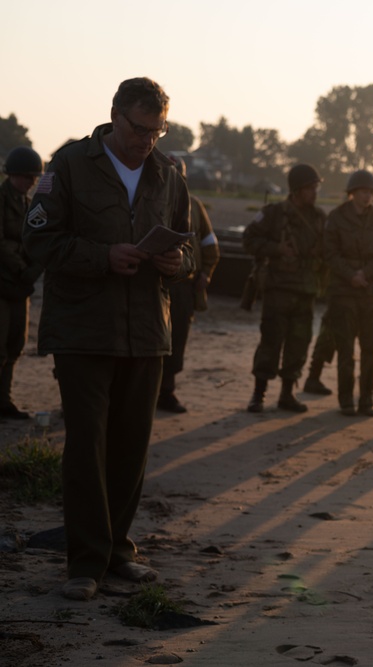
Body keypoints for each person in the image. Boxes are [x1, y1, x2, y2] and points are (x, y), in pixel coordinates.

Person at [23, 77, 193, 601]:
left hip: (147, 334)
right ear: (115, 115)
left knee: (130, 449)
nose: (147, 140)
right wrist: (104, 257)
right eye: (140, 129)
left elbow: (189, 253)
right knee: (86, 447)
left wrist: (173, 262)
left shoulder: (169, 174)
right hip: (83, 332)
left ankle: (118, 550)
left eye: (157, 130)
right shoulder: (69, 166)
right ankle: (85, 562)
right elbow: (39, 238)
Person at [243, 164, 325, 413]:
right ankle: (259, 394)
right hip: (278, 290)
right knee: (270, 341)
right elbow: (249, 239)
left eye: (315, 187)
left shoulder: (319, 218)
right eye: (311, 188)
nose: (314, 192)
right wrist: (276, 249)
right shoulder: (274, 213)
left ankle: (287, 394)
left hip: (305, 291)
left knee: (299, 344)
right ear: (297, 190)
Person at [320, 169, 373, 416]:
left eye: (371, 193)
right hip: (344, 293)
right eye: (363, 192)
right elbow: (329, 252)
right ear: (352, 193)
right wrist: (351, 274)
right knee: (346, 352)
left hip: (372, 294)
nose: (367, 197)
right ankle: (346, 401)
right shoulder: (337, 218)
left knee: (371, 350)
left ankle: (366, 399)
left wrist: (366, 273)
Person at [157, 157, 220, 414]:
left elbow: (209, 244)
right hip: (155, 284)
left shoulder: (194, 205)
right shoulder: (150, 201)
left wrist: (207, 272)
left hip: (184, 285)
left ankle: (167, 391)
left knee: (177, 338)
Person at [0, 147, 44, 419]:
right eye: (27, 177)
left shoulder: (29, 205)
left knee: (16, 343)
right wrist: (22, 268)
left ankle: (4, 400)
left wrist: (34, 268)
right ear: (13, 175)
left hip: (20, 286)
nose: (31, 182)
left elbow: (37, 241)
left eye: (33, 177)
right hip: (3, 283)